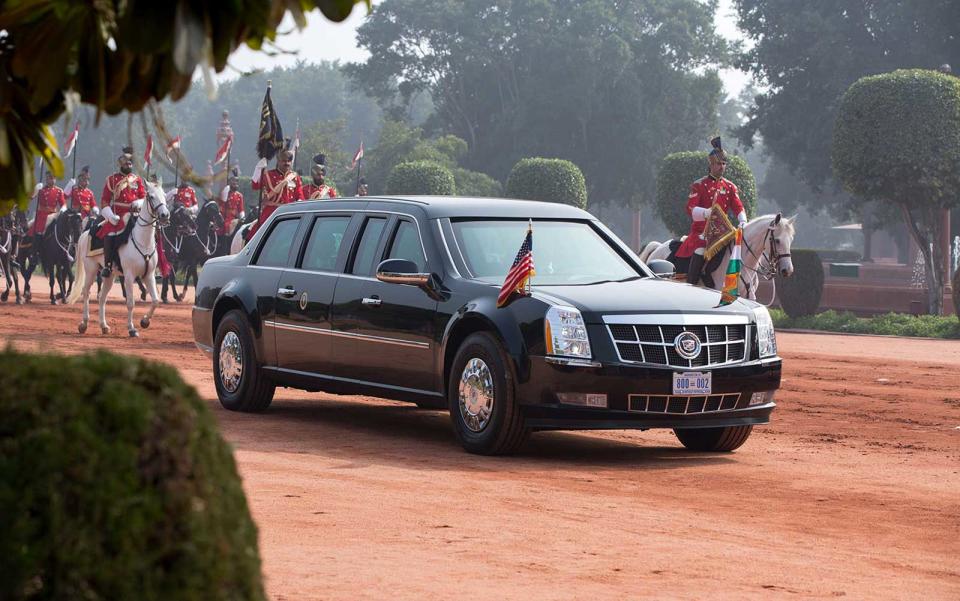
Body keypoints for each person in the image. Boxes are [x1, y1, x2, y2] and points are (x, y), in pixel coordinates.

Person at [675, 136, 746, 286]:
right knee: (700, 251)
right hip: (701, 233)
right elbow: (690, 208)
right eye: (719, 163)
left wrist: (742, 220)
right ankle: (692, 284)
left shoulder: (730, 187)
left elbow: (738, 206)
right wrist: (706, 213)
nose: (722, 167)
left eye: (724, 163)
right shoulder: (699, 185)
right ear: (711, 165)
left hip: (723, 232)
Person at [98, 146, 146, 277]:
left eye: (130, 162)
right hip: (117, 215)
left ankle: (150, 263)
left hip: (135, 214)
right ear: (121, 164)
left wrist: (139, 202)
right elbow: (105, 201)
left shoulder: (137, 179)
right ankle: (108, 265)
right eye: (126, 162)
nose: (129, 164)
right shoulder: (112, 179)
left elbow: (144, 197)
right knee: (109, 234)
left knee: (151, 231)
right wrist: (110, 215)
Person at [250, 148, 303, 237]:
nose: (287, 163)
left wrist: (300, 203)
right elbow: (255, 186)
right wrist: (258, 169)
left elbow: (300, 195)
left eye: (289, 161)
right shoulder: (268, 175)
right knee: (257, 233)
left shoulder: (295, 177)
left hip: (291, 211)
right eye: (284, 161)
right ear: (278, 161)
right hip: (272, 212)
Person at [29, 171, 66, 247]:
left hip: (53, 215)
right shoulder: (41, 189)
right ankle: (34, 249)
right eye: (49, 178)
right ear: (46, 179)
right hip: (41, 215)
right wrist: (35, 190)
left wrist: (63, 209)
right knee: (33, 230)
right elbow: (30, 197)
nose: (51, 180)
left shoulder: (59, 191)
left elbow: (63, 204)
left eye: (53, 178)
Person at [219, 168, 245, 236]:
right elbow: (223, 201)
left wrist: (242, 218)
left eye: (236, 181)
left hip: (233, 219)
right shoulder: (225, 192)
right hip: (223, 217)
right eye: (233, 180)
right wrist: (226, 189)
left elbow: (241, 210)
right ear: (229, 181)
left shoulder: (239, 196)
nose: (235, 183)